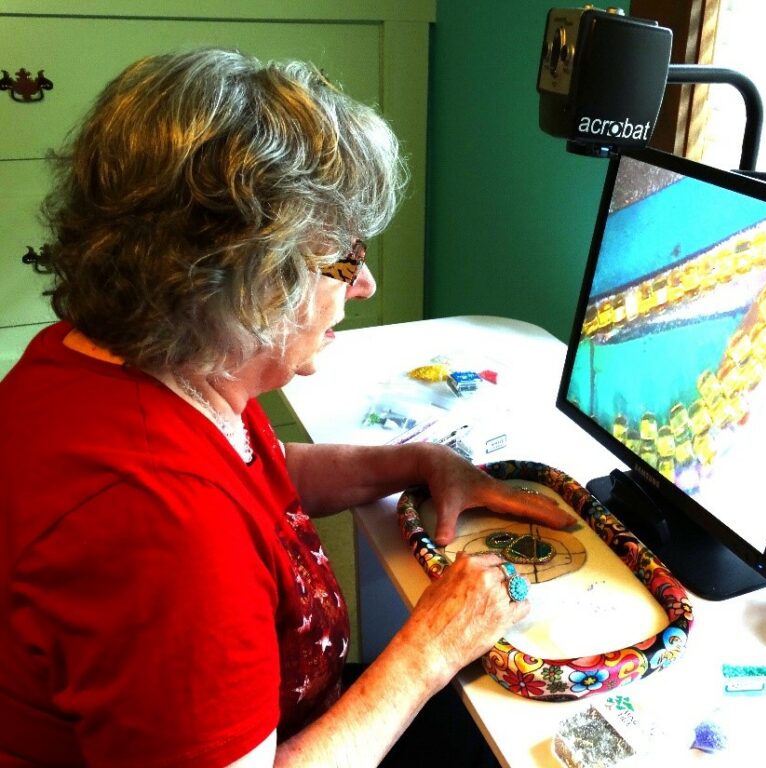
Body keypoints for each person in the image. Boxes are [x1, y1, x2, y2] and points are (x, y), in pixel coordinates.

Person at [0, 48, 575, 767]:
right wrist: (430, 648)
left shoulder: (110, 360)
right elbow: (200, 520)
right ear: (242, 277)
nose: (363, 283)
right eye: (339, 258)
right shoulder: (161, 529)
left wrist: (422, 461)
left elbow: (254, 475)